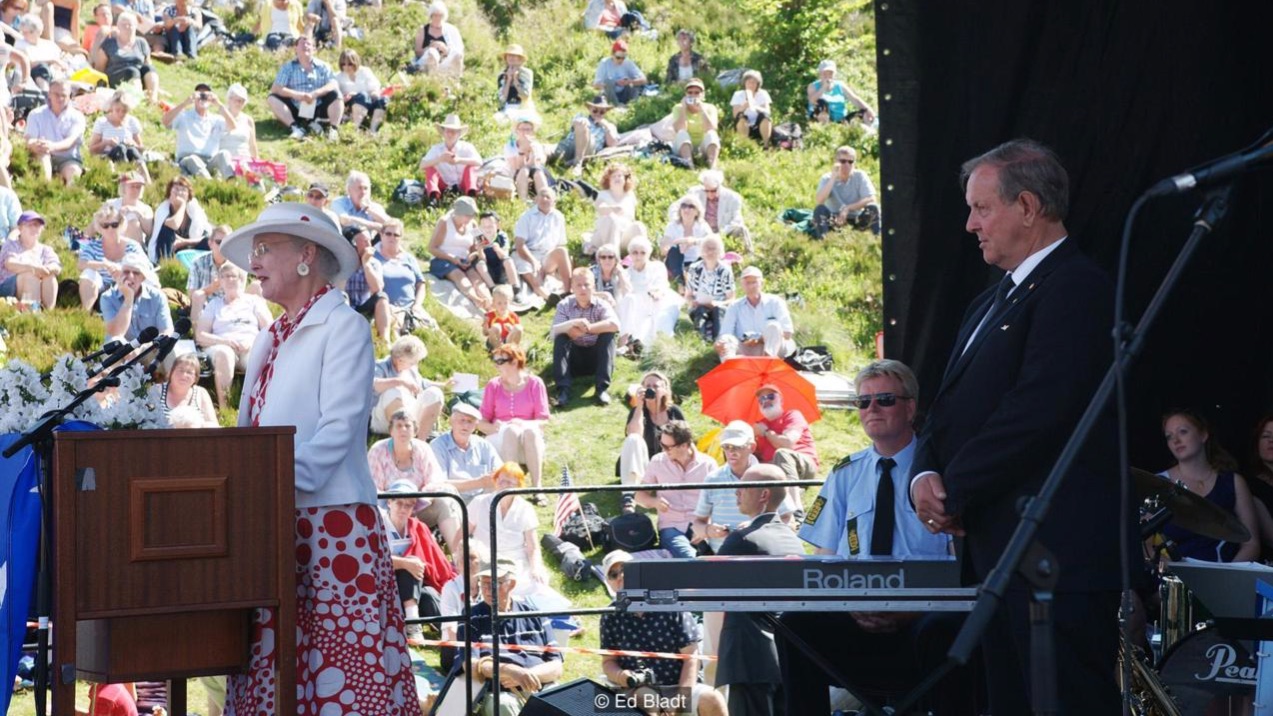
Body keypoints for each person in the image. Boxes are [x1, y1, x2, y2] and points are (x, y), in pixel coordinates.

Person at [910, 139, 1130, 713]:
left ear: (1028, 207)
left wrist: (956, 487)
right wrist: (923, 473)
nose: (969, 224)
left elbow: (1041, 408)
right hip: (996, 556)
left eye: (981, 208)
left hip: (1056, 558)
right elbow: (946, 407)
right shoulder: (986, 304)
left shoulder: (1076, 286)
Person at [219, 201, 418, 713]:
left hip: (331, 531)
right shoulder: (268, 338)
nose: (254, 261)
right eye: (254, 251)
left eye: (266, 250)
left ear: (307, 254)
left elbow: (335, 434)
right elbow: (249, 435)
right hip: (273, 527)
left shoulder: (345, 327)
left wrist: (264, 487)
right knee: (280, 671)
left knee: (340, 675)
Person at [783, 361, 971, 714]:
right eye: (863, 402)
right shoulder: (845, 474)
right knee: (795, 625)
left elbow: (963, 566)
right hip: (859, 620)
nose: (871, 409)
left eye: (884, 399)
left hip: (925, 620)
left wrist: (911, 611)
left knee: (944, 630)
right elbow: (825, 560)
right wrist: (847, 605)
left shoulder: (939, 474)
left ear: (910, 407)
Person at [715, 464, 804, 716]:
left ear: (764, 495)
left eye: (743, 486)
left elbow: (705, 584)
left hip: (749, 658)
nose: (736, 492)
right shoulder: (792, 540)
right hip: (786, 656)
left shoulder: (743, 538)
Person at [598, 550, 728, 716]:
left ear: (640, 573)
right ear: (608, 582)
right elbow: (608, 662)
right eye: (613, 574)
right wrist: (622, 676)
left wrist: (680, 700)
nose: (621, 576)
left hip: (680, 685)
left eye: (626, 569)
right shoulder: (609, 615)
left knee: (712, 698)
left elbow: (691, 657)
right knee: (646, 698)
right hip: (637, 689)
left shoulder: (669, 603)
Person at [455, 553, 562, 715]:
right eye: (483, 583)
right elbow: (470, 665)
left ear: (511, 584)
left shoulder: (534, 614)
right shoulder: (471, 616)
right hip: (500, 692)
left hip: (539, 685)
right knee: (503, 705)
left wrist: (527, 675)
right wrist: (508, 670)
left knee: (563, 698)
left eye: (494, 583)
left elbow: (557, 666)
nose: (488, 590)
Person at [1158, 408, 1258, 562]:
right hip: (1177, 580)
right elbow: (1144, 542)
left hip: (1224, 577)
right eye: (1169, 436)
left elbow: (1251, 544)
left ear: (1203, 434)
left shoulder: (1233, 482)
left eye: (1183, 432)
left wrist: (1226, 578)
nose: (1175, 440)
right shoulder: (1157, 483)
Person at [693, 421, 796, 554]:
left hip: (761, 558)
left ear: (752, 447)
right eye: (726, 446)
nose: (730, 451)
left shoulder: (768, 476)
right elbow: (697, 523)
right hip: (720, 558)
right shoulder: (712, 479)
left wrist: (759, 528)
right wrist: (708, 530)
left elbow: (789, 521)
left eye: (737, 447)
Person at [367, 409, 462, 549]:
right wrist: (398, 505)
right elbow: (374, 490)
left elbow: (434, 482)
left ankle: (459, 556)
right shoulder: (377, 451)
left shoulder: (423, 449)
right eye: (398, 426)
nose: (403, 430)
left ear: (415, 431)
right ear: (391, 431)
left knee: (446, 502)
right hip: (388, 512)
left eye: (407, 426)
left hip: (419, 506)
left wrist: (414, 503)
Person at [380, 479, 457, 646]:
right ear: (389, 502)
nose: (403, 508)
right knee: (411, 564)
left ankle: (450, 632)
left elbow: (435, 562)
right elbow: (372, 560)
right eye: (399, 503)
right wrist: (405, 563)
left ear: (414, 508)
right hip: (381, 584)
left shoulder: (418, 527)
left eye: (408, 505)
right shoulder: (377, 526)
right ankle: (413, 624)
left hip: (414, 585)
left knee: (429, 595)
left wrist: (414, 564)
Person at [196, 262, 272, 410]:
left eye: (233, 276)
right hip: (220, 346)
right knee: (225, 353)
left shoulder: (253, 301)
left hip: (249, 346)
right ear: (220, 281)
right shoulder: (214, 304)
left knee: (256, 356)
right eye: (224, 276)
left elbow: (269, 328)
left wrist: (253, 342)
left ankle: (257, 406)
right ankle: (225, 408)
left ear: (242, 279)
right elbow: (200, 335)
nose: (229, 279)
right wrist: (226, 341)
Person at [637, 420, 716, 559]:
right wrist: (654, 501)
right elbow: (639, 496)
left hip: (701, 524)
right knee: (690, 557)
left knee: (716, 554)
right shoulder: (657, 462)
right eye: (662, 445)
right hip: (671, 526)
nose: (664, 450)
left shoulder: (708, 464)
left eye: (669, 447)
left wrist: (705, 528)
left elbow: (718, 500)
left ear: (685, 445)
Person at [478, 344, 548, 500]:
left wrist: (523, 423)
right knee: (511, 431)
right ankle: (512, 489)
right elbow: (481, 423)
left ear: (515, 362)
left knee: (529, 432)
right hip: (500, 437)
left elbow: (543, 420)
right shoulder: (493, 385)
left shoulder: (535, 383)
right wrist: (495, 427)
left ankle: (537, 487)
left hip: (528, 435)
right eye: (495, 361)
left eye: (500, 361)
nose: (496, 365)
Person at [550, 267, 618, 408]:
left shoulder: (601, 304)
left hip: (596, 357)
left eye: (586, 284)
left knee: (608, 335)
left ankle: (601, 389)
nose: (583, 288)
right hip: (574, 358)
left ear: (593, 286)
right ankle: (563, 390)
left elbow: (615, 324)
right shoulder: (564, 305)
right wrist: (572, 325)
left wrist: (588, 328)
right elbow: (553, 332)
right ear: (572, 287)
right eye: (578, 285)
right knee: (561, 338)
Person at [618, 371, 684, 508]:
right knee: (633, 439)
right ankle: (629, 497)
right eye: (648, 386)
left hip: (668, 463)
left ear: (665, 390)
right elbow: (633, 434)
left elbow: (685, 442)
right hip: (642, 466)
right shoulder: (638, 411)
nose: (651, 389)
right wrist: (640, 406)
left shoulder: (674, 412)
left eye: (656, 386)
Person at [752, 383, 819, 510]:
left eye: (770, 396)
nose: (765, 400)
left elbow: (787, 443)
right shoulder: (759, 426)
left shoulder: (792, 415)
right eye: (761, 399)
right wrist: (750, 440)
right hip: (776, 470)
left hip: (803, 466)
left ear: (781, 400)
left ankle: (796, 510)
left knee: (782, 453)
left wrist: (766, 433)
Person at [267, 34, 344, 141]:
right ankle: (296, 128)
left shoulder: (323, 66)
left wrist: (316, 93)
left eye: (308, 44)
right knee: (272, 98)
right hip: (295, 107)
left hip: (318, 106)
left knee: (336, 94)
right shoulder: (288, 67)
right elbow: (276, 88)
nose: (305, 46)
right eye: (302, 44)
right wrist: (296, 95)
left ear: (314, 49)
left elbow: (333, 83)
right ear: (296, 48)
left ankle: (333, 130)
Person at [76, 202, 150, 310]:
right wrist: (104, 265)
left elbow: (145, 266)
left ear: (121, 224)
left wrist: (122, 269)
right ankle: (86, 312)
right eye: (105, 226)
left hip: (127, 285)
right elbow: (81, 264)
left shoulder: (132, 246)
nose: (110, 229)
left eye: (114, 225)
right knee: (88, 273)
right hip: (101, 285)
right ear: (99, 228)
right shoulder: (92, 245)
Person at [371, 335, 446, 439]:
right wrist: (401, 382)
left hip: (408, 413)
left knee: (435, 393)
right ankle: (402, 439)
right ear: (400, 360)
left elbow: (421, 383)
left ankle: (420, 443)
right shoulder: (380, 366)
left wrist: (444, 385)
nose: (415, 364)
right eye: (413, 362)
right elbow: (373, 385)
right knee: (392, 392)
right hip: (383, 418)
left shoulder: (410, 369)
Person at [714, 266, 795, 360]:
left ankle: (767, 364)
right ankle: (731, 367)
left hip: (773, 348)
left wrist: (760, 339)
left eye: (754, 282)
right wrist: (720, 343)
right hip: (747, 348)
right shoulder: (734, 306)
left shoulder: (775, 302)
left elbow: (788, 333)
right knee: (726, 340)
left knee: (774, 326)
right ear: (742, 285)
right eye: (747, 283)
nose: (751, 286)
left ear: (762, 283)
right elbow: (725, 333)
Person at [616, 236, 680, 352]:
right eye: (635, 252)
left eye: (642, 253)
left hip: (657, 300)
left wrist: (656, 293)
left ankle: (646, 347)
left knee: (657, 318)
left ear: (648, 254)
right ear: (630, 254)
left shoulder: (657, 267)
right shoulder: (627, 273)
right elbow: (624, 293)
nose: (639, 256)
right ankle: (626, 342)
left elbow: (661, 285)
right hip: (636, 306)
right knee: (630, 303)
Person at [162, 82, 237, 180]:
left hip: (209, 161)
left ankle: (231, 182)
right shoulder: (184, 116)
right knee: (194, 159)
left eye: (205, 95)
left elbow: (233, 126)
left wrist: (219, 104)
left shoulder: (215, 119)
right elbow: (165, 121)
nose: (202, 98)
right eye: (200, 95)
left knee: (224, 154)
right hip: (188, 159)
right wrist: (185, 103)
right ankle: (208, 184)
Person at [427, 196, 490, 312]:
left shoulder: (473, 224)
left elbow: (482, 243)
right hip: (443, 258)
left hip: (464, 260)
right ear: (458, 213)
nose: (470, 218)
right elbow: (431, 248)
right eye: (467, 215)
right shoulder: (444, 222)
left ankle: (489, 301)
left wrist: (474, 255)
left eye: (472, 215)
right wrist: (451, 258)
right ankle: (476, 299)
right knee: (459, 275)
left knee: (475, 278)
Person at [431, 402, 501, 502]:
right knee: (445, 490)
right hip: (452, 501)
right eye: (462, 420)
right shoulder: (438, 445)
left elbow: (501, 472)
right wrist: (479, 483)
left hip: (481, 501)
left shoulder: (484, 445)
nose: (465, 425)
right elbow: (439, 484)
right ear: (452, 421)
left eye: (470, 421)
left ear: (475, 425)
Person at [669, 169, 752, 253]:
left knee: (741, 229)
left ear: (720, 186)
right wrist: (679, 222)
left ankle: (746, 256)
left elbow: (737, 221)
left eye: (713, 191)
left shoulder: (733, 198)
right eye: (706, 191)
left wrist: (720, 234)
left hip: (724, 232)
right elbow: (674, 207)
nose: (710, 194)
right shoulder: (695, 192)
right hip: (700, 232)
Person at [512, 189, 570, 303]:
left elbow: (560, 243)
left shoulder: (558, 216)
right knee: (534, 278)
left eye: (548, 197)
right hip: (527, 253)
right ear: (536, 199)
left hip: (547, 254)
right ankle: (548, 297)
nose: (544, 199)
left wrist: (554, 265)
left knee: (562, 251)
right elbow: (520, 245)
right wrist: (533, 261)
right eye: (541, 196)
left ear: (554, 201)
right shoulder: (526, 217)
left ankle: (567, 291)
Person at [377, 217, 435, 330]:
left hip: (413, 307)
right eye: (388, 234)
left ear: (401, 238)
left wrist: (417, 305)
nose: (392, 238)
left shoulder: (409, 258)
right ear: (381, 235)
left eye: (396, 235)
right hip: (390, 309)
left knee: (435, 333)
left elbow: (421, 284)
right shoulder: (374, 258)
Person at [24, 78, 84, 184]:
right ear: (49, 94)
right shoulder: (36, 114)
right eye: (56, 94)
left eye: (64, 95)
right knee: (43, 158)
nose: (60, 98)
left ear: (69, 96)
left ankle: (70, 197)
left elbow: (70, 141)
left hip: (67, 158)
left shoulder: (77, 117)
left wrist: (52, 146)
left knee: (73, 173)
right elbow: (28, 139)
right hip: (43, 153)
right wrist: (35, 144)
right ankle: (45, 191)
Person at [101, 253, 172, 341]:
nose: (130, 276)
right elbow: (116, 333)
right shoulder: (107, 297)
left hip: (150, 349)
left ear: (143, 277)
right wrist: (128, 298)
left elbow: (166, 331)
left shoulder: (157, 296)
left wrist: (144, 349)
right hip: (122, 351)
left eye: (136, 273)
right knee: (116, 340)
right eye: (126, 272)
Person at [813, 145, 880, 238]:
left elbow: (871, 198)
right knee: (819, 209)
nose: (847, 165)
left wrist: (848, 208)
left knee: (873, 208)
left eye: (850, 162)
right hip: (834, 220)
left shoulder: (860, 175)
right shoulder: (827, 178)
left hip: (856, 219)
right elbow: (820, 201)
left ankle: (876, 241)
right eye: (843, 161)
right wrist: (833, 178)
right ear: (836, 162)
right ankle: (824, 241)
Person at [0, 210, 59, 309]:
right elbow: (9, 263)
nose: (34, 228)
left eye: (37, 225)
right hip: (9, 286)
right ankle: (32, 311)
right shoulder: (11, 245)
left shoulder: (45, 249)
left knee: (50, 277)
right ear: (20, 228)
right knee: (29, 275)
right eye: (29, 225)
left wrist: (46, 270)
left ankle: (48, 312)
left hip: (38, 284)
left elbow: (56, 266)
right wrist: (33, 268)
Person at [93, 11, 156, 100]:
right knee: (132, 71)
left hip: (138, 76)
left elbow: (147, 64)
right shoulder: (110, 43)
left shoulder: (142, 42)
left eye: (130, 24)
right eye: (123, 24)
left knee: (150, 69)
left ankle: (152, 99)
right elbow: (99, 68)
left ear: (135, 26)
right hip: (115, 77)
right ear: (118, 26)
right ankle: (137, 99)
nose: (127, 27)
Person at [582, 161, 640, 257]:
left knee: (638, 226)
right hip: (604, 236)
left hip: (624, 236)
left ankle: (639, 260)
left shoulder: (630, 195)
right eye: (614, 176)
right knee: (612, 219)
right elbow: (601, 208)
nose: (617, 178)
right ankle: (614, 258)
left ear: (625, 179)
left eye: (620, 176)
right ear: (608, 180)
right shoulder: (603, 194)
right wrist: (612, 209)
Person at [88, 89, 148, 180]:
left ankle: (146, 178)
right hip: (108, 157)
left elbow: (141, 148)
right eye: (117, 110)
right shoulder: (102, 122)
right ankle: (125, 176)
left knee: (131, 150)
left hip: (128, 155)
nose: (121, 114)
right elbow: (92, 150)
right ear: (112, 107)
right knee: (121, 148)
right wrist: (106, 143)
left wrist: (133, 144)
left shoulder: (132, 122)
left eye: (124, 111)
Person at [420, 113, 481, 202]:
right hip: (444, 184)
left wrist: (459, 160)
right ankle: (434, 199)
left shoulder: (467, 147)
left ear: (458, 134)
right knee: (430, 169)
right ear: (444, 132)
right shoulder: (436, 149)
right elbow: (422, 165)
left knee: (471, 168)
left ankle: (471, 197)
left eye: (453, 131)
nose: (450, 134)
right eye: (448, 131)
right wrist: (440, 159)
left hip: (462, 183)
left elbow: (479, 161)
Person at [551, 94, 619, 173]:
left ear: (606, 112)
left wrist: (605, 125)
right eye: (595, 110)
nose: (598, 114)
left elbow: (613, 144)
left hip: (588, 150)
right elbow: (575, 124)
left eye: (602, 112)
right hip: (572, 144)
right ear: (590, 109)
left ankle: (577, 163)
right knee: (546, 150)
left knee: (587, 133)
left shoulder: (609, 126)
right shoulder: (581, 117)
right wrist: (583, 124)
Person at [683, 235, 734, 342]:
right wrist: (693, 302)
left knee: (718, 311)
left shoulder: (725, 270)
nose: (710, 252)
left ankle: (719, 341)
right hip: (699, 306)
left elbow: (731, 299)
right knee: (700, 311)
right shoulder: (694, 268)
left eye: (713, 248)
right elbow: (688, 295)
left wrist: (718, 303)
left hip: (720, 307)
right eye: (707, 248)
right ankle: (700, 340)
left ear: (720, 251)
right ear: (701, 250)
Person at [148, 176, 209, 261]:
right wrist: (182, 206)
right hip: (171, 250)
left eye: (183, 190)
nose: (179, 192)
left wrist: (184, 242)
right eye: (176, 189)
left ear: (188, 195)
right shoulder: (163, 210)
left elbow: (207, 236)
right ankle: (165, 265)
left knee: (210, 241)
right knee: (166, 231)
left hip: (190, 248)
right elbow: (174, 225)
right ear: (169, 193)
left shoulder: (195, 211)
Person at [152, 351, 217, 426]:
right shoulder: (156, 390)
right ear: (171, 372)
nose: (184, 375)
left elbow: (213, 425)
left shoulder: (201, 393)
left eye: (189, 372)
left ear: (195, 378)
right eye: (181, 370)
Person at [659, 194, 710, 284]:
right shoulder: (672, 226)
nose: (686, 209)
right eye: (684, 206)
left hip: (696, 260)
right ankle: (681, 281)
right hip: (676, 262)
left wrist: (693, 241)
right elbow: (665, 245)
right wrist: (676, 244)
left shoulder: (702, 226)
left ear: (697, 212)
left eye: (691, 206)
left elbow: (712, 242)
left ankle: (691, 279)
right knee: (674, 251)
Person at [187, 224, 231, 326]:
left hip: (230, 308)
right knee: (198, 295)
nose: (223, 246)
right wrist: (210, 288)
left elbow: (240, 295)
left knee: (256, 287)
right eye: (219, 242)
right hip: (206, 309)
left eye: (227, 242)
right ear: (210, 243)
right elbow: (191, 296)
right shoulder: (197, 263)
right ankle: (198, 337)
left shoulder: (236, 264)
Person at [806, 59, 874, 125]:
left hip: (841, 120)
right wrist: (823, 87)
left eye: (830, 73)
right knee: (821, 103)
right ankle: (826, 129)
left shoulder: (840, 85)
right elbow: (812, 100)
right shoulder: (812, 86)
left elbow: (855, 99)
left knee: (864, 113)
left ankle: (871, 133)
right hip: (821, 119)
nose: (827, 76)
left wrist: (869, 111)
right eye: (824, 73)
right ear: (820, 74)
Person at [330, 170, 390, 246]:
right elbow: (344, 220)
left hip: (368, 245)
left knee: (388, 235)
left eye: (366, 188)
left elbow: (391, 225)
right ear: (349, 190)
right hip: (345, 244)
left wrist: (369, 210)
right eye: (360, 188)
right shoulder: (339, 202)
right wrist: (374, 225)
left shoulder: (374, 207)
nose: (363, 192)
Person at [671, 78, 719, 170]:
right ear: (686, 94)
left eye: (697, 93)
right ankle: (690, 166)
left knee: (712, 134)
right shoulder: (678, 108)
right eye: (690, 92)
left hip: (702, 146)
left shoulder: (710, 108)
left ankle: (713, 167)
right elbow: (680, 128)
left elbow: (711, 128)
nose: (693, 95)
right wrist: (684, 109)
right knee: (682, 133)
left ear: (702, 95)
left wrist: (702, 110)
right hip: (684, 146)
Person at [501, 117, 553, 202]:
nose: (525, 132)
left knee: (538, 172)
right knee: (524, 170)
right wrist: (522, 150)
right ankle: (523, 200)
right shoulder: (510, 146)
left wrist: (532, 152)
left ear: (532, 131)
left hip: (536, 170)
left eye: (528, 129)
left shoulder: (536, 145)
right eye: (522, 129)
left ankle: (545, 198)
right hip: (517, 173)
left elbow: (538, 163)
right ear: (517, 131)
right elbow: (516, 166)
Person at [336, 48, 385, 133]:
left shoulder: (365, 71)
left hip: (368, 101)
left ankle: (373, 129)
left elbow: (374, 90)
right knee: (362, 96)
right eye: (343, 64)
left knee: (383, 100)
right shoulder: (337, 77)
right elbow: (335, 96)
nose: (346, 67)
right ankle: (355, 128)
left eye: (350, 64)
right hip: (350, 106)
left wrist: (372, 94)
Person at [411, 1, 464, 76]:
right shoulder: (423, 29)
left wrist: (446, 50)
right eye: (435, 15)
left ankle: (456, 81)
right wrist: (429, 47)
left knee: (457, 54)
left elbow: (459, 49)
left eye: (440, 15)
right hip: (426, 62)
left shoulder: (451, 30)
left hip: (444, 62)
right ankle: (433, 81)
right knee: (433, 52)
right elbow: (417, 52)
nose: (437, 18)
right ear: (431, 16)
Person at [593, 39, 645, 106]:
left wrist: (629, 81)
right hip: (610, 94)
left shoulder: (628, 63)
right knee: (609, 81)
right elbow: (596, 85)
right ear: (612, 54)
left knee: (634, 84)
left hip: (625, 93)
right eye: (618, 57)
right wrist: (614, 83)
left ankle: (632, 105)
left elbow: (644, 80)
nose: (621, 60)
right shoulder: (604, 63)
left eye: (623, 58)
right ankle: (616, 106)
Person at [219, 83, 259, 168]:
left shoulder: (248, 120)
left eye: (242, 101)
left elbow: (252, 145)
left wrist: (257, 163)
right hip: (226, 162)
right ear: (229, 99)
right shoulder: (219, 118)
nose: (239, 103)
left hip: (245, 161)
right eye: (236, 100)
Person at [108, 170, 154, 244]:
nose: (135, 190)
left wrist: (138, 213)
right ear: (123, 187)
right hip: (112, 245)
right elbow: (98, 224)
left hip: (135, 249)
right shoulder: (111, 204)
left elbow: (150, 232)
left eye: (138, 187)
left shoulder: (146, 209)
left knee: (133, 224)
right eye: (132, 186)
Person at [731, 69, 772, 145]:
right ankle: (745, 144)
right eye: (749, 82)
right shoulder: (738, 94)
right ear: (744, 83)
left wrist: (755, 106)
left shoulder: (763, 93)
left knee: (765, 117)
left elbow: (768, 111)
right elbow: (735, 115)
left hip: (758, 124)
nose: (751, 85)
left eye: (753, 83)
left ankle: (766, 144)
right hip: (743, 123)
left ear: (758, 84)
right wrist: (743, 107)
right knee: (741, 118)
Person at [495, 43, 533, 121]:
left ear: (520, 59)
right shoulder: (502, 75)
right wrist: (508, 81)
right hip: (506, 108)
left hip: (523, 108)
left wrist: (515, 80)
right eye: (509, 55)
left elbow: (525, 96)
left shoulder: (526, 73)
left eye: (515, 55)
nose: (511, 58)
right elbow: (501, 100)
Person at [583, 0, 651, 40]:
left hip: (622, 28)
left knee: (635, 14)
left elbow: (625, 19)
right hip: (608, 30)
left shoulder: (619, 4)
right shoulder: (596, 4)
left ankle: (643, 30)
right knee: (622, 32)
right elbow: (590, 26)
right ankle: (639, 36)